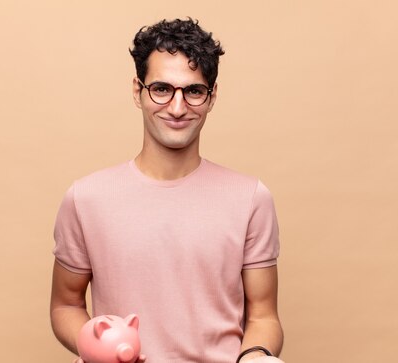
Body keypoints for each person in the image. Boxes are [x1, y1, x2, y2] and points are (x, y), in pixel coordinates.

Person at [50, 18, 283, 362]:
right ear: (137, 91)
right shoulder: (85, 198)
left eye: (193, 91)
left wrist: (256, 356)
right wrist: (96, 347)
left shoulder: (251, 198)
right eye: (161, 89)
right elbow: (65, 305)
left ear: (212, 96)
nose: (177, 108)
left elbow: (263, 316)